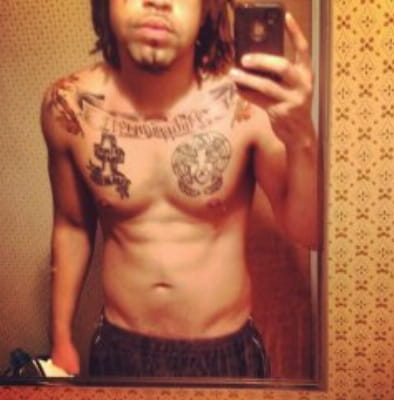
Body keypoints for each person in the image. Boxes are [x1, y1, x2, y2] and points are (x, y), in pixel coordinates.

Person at [41, 0, 318, 378]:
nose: (158, 1)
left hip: (224, 352)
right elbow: (72, 225)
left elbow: (308, 232)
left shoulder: (250, 101)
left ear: (206, 10)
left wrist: (302, 137)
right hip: (120, 350)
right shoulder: (68, 106)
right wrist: (61, 339)